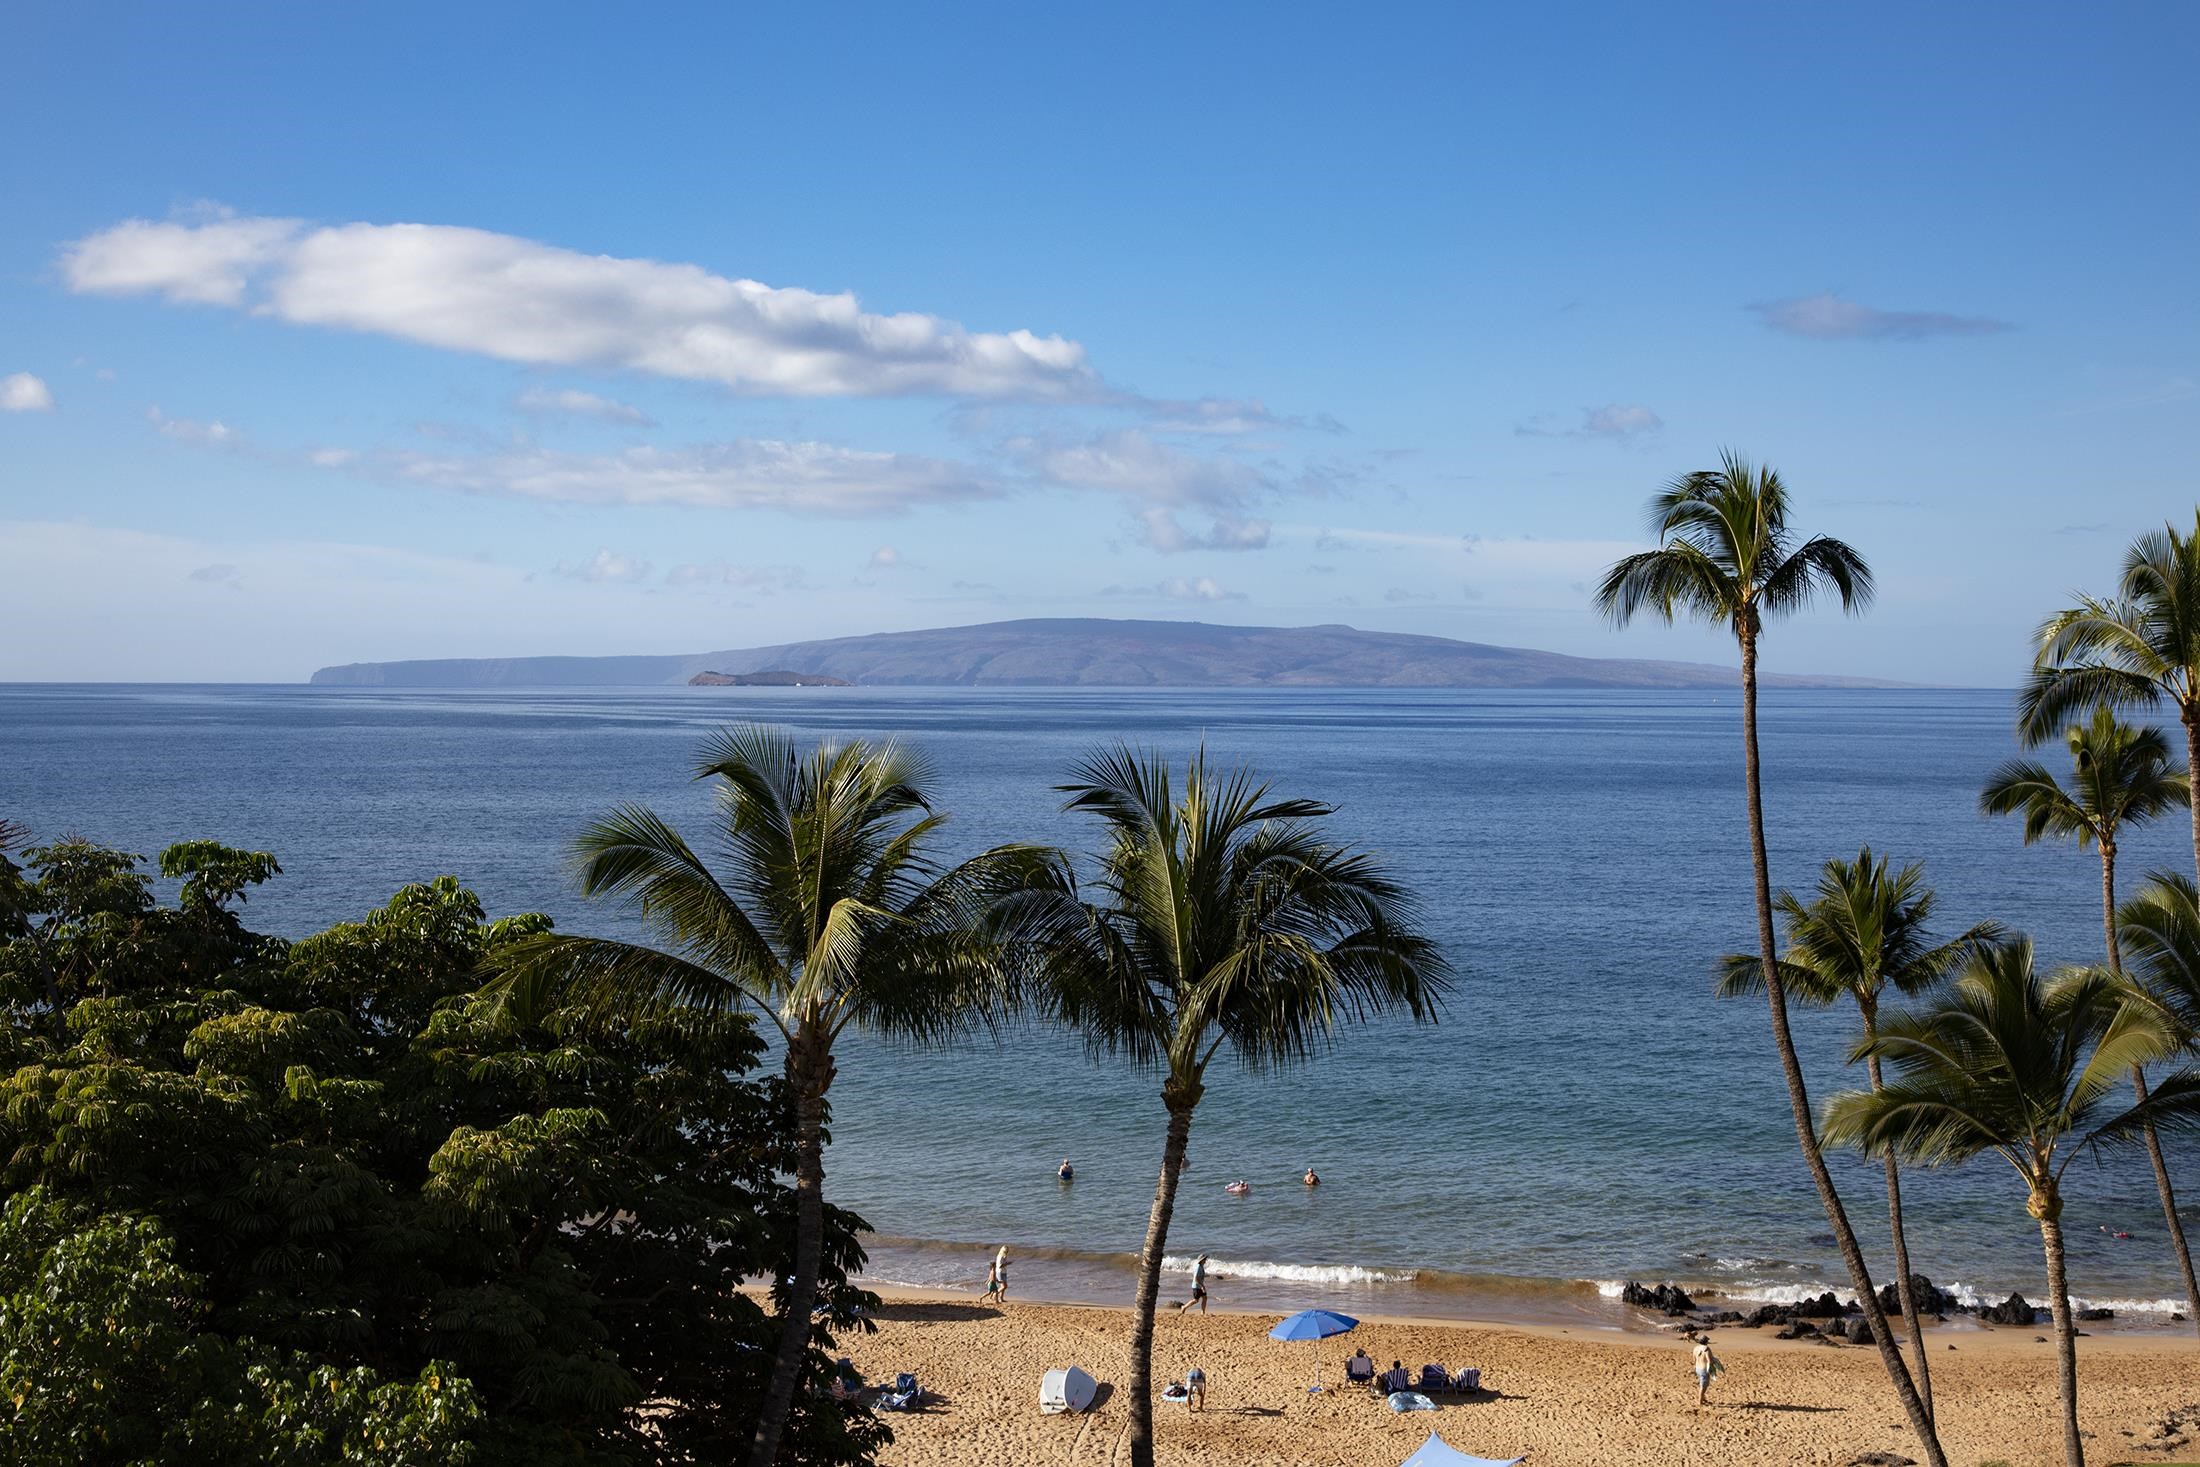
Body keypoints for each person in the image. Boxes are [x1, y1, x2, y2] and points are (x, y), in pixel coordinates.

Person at [1692, 1336, 1722, 1404]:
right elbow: (1709, 1360)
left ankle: (1703, 1398)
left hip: (1697, 1368)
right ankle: (1700, 1401)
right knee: (1703, 1386)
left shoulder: (1696, 1348)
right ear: (1706, 1342)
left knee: (1702, 1383)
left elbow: (1694, 1359)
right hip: (1704, 1369)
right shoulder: (1706, 1349)